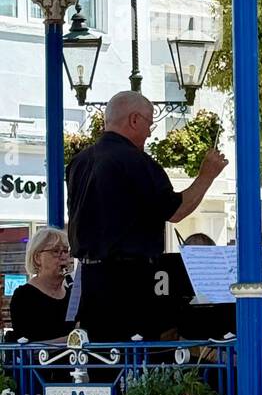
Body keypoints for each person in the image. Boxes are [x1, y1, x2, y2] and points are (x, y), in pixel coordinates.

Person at [67, 91, 227, 341]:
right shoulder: (136, 161)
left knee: (99, 360)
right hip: (129, 284)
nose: (150, 132)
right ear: (134, 119)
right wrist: (207, 175)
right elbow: (176, 211)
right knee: (140, 356)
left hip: (89, 282)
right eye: (149, 123)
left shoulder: (79, 162)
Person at [9, 227, 73, 342]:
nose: (64, 257)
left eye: (66, 251)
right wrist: (71, 340)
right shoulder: (24, 296)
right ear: (38, 258)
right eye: (56, 251)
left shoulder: (72, 294)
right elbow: (29, 348)